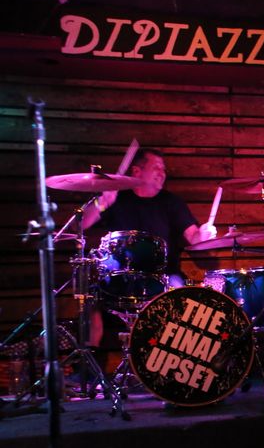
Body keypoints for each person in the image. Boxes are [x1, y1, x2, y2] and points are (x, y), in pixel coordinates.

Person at [82, 147, 217, 346]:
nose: (162, 173)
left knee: (182, 296)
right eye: (157, 168)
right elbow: (81, 224)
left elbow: (193, 237)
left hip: (165, 276)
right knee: (90, 298)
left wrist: (204, 233)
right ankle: (89, 360)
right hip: (121, 276)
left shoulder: (171, 202)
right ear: (137, 171)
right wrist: (102, 203)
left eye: (164, 169)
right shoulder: (118, 199)